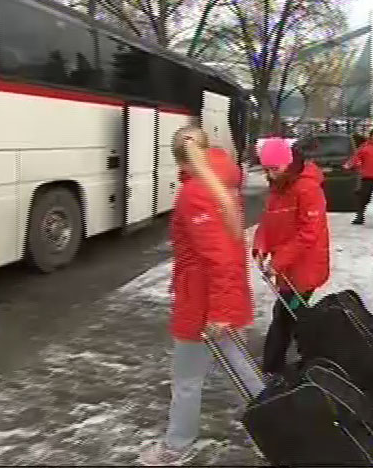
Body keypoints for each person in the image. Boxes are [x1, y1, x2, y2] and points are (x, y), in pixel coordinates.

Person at [139, 126, 263, 466]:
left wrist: (219, 312)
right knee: (240, 369)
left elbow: (217, 256)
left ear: (178, 157)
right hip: (222, 295)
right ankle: (280, 421)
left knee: (187, 379)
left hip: (204, 303)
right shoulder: (221, 180)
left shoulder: (196, 193)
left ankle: (176, 445)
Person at [252, 138, 330, 377]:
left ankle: (272, 368)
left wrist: (277, 262)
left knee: (284, 316)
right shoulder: (279, 187)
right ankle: (306, 356)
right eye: (266, 170)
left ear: (288, 163)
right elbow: (268, 220)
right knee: (293, 315)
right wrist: (260, 246)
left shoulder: (307, 189)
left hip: (305, 267)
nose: (270, 175)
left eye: (274, 169)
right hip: (286, 268)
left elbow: (309, 232)